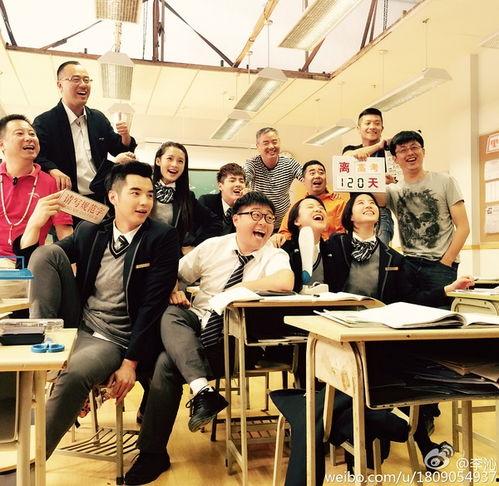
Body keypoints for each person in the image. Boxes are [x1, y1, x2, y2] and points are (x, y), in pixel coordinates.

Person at [274, 192, 473, 485]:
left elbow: (410, 297)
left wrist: (447, 290)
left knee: (392, 368)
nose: (368, 205)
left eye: (372, 203)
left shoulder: (393, 257)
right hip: (336, 334)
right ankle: (397, 431)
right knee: (370, 378)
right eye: (360, 203)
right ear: (349, 217)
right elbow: (307, 256)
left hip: (376, 335)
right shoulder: (335, 246)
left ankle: (370, 443)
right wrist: (284, 235)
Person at [124, 191, 294, 485]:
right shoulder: (212, 247)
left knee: (166, 364)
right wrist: (173, 288)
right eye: (255, 215)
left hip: (237, 339)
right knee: (170, 313)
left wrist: (237, 290)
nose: (263, 223)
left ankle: (154, 452)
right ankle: (202, 390)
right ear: (236, 219)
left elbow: (285, 281)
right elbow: (173, 272)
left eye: (269, 218)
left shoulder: (274, 254)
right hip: (197, 322)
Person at [14, 161, 179, 457]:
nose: (145, 202)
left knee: (75, 373)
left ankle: (28, 465)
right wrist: (36, 224)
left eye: (150, 194)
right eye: (135, 193)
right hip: (77, 322)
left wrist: (130, 363)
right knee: (48, 252)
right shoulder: (91, 230)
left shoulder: (161, 237)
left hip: (114, 339)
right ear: (113, 197)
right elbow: (37, 265)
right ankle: (44, 346)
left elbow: (152, 306)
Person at [33, 60, 137, 200]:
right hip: (66, 197)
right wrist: (53, 170)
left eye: (86, 80)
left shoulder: (98, 119)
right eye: (76, 79)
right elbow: (36, 156)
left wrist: (125, 136)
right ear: (60, 85)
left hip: (100, 196)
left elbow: (119, 149)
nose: (83, 84)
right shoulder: (45, 122)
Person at [381, 130, 470, 290]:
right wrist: (378, 179)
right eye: (403, 150)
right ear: (395, 159)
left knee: (440, 306)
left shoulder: (445, 181)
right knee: (410, 305)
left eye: (414, 147)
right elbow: (372, 198)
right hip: (409, 263)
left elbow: (463, 227)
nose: (410, 153)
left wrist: (446, 261)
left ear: (423, 151)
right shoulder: (393, 190)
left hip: (441, 264)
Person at [0, 114, 72, 298]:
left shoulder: (52, 183)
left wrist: (73, 279)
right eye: (19, 133)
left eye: (32, 133)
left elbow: (65, 233)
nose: (29, 138)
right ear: (2, 145)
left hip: (29, 264)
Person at [151, 141, 221, 253]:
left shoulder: (187, 197)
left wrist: (195, 245)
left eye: (180, 161)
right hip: (143, 254)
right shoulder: (145, 190)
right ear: (158, 161)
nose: (175, 164)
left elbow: (214, 223)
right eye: (170, 158)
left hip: (171, 256)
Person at [342, 107, 395, 245]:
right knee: (355, 253)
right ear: (358, 128)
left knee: (380, 253)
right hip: (356, 211)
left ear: (382, 128)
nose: (372, 127)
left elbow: (397, 179)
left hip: (380, 211)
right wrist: (378, 146)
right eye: (367, 123)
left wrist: (388, 181)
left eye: (377, 123)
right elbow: (345, 159)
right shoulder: (352, 150)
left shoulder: (389, 154)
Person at [275, 160, 346, 246]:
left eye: (321, 173)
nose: (317, 176)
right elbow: (284, 232)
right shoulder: (298, 205)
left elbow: (341, 234)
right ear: (303, 180)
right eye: (312, 173)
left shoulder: (338, 203)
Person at [244, 127, 303, 230]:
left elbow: (306, 177)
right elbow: (243, 178)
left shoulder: (289, 163)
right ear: (258, 146)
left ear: (279, 142)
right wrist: (243, 188)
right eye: (266, 143)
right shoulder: (252, 163)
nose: (271, 146)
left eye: (274, 142)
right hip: (259, 222)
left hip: (283, 224)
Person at [198, 162, 246, 235]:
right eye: (232, 180)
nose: (238, 184)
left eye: (241, 181)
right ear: (220, 186)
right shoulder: (206, 202)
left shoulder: (246, 207)